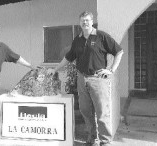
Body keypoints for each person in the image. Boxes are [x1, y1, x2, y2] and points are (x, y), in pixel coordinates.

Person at [48, 11, 123, 146]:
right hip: (82, 79)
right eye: (82, 21)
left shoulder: (101, 36)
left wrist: (111, 70)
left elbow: (119, 51)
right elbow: (69, 57)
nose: (85, 23)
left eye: (87, 20)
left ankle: (105, 141)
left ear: (92, 21)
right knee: (85, 111)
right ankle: (92, 138)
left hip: (98, 80)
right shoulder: (77, 39)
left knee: (102, 112)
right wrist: (54, 69)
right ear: (80, 23)